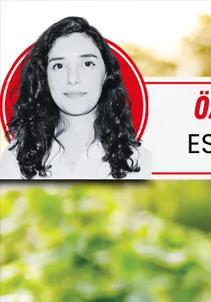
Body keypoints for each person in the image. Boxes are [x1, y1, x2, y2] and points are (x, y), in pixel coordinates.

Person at [0, 16, 151, 181]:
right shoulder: (14, 158)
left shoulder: (138, 159)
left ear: (106, 73)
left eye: (87, 64)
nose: (73, 79)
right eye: (59, 66)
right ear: (45, 78)